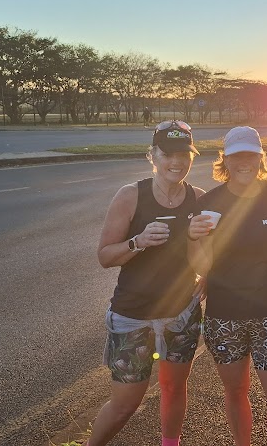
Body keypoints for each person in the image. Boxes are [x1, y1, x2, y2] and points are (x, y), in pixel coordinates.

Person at [88, 120, 205, 446]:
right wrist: (137, 242)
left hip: (181, 314)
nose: (177, 162)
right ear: (152, 155)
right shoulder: (131, 196)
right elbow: (105, 256)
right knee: (125, 405)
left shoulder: (199, 198)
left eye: (184, 154)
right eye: (168, 154)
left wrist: (209, 275)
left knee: (174, 388)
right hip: (132, 315)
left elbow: (210, 253)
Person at [187, 126, 267, 446]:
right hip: (224, 317)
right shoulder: (210, 202)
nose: (244, 162)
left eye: (251, 154)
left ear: (261, 157)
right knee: (235, 391)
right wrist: (192, 237)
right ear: (226, 160)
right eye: (236, 156)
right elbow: (202, 265)